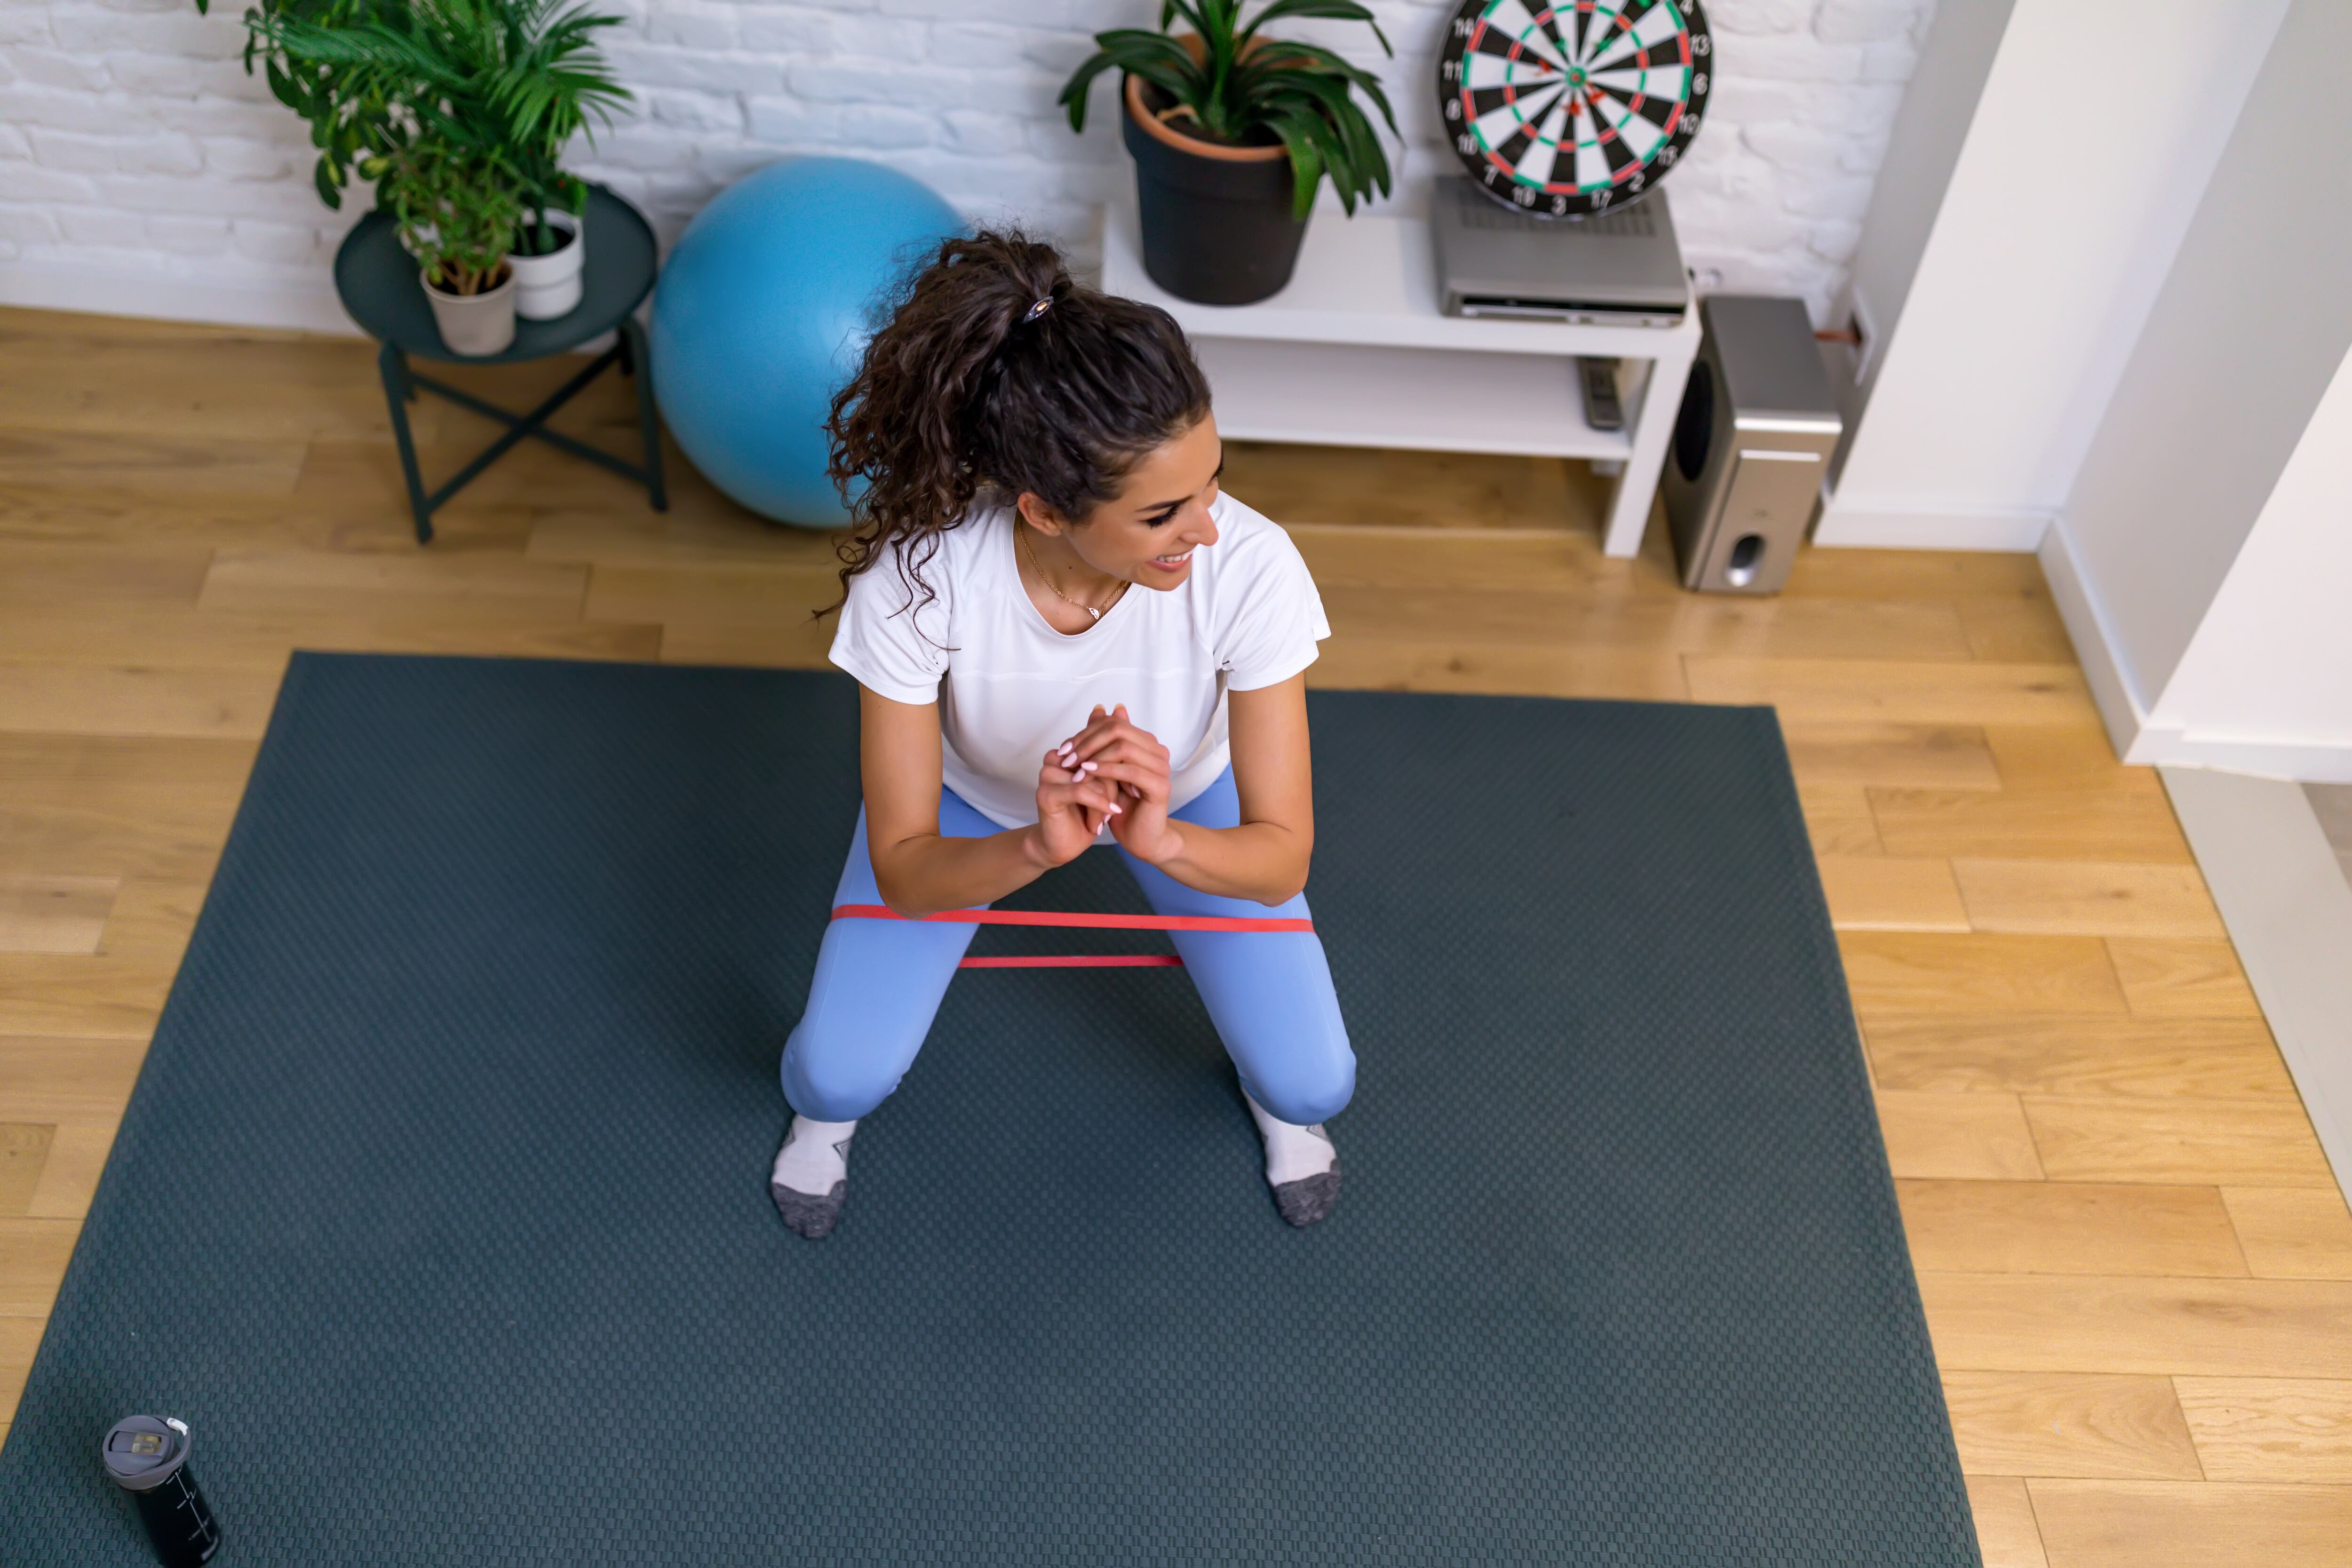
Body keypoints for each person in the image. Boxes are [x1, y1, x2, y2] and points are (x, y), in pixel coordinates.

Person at [769, 231, 1355, 1241]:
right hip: (973, 802)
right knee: (837, 1070)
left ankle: (1271, 1082)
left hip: (1188, 792)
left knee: (1315, 1081)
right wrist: (1037, 844)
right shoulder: (920, 578)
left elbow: (1281, 854)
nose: (1209, 528)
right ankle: (820, 1119)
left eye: (1213, 482)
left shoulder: (1251, 566)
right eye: (1165, 511)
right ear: (1043, 509)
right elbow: (907, 868)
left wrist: (1163, 835)